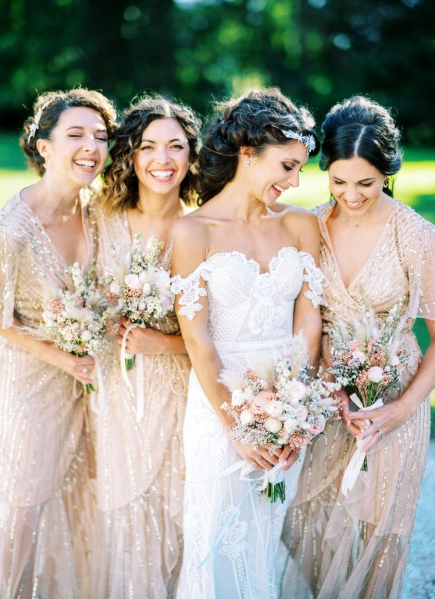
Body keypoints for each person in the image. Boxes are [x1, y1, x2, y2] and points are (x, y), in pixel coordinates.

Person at [171, 88, 324, 599]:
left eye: (300, 170)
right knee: (218, 532)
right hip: (222, 409)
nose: (295, 181)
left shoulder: (301, 225)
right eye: (286, 165)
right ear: (247, 153)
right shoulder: (194, 232)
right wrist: (237, 426)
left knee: (265, 532)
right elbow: (198, 341)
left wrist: (292, 404)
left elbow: (309, 317)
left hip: (288, 403)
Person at [282, 96, 435, 599]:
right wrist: (323, 386)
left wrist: (402, 408)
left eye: (366, 183)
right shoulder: (310, 225)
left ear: (388, 171)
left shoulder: (416, 237)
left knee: (374, 532)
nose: (351, 194)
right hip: (326, 401)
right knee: (307, 522)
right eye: (339, 181)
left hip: (394, 402)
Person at [0, 89, 117, 598]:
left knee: (85, 496)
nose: (92, 148)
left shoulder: (99, 210)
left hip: (92, 384)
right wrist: (66, 358)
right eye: (76, 135)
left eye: (102, 137)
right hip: (32, 384)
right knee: (23, 504)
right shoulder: (11, 230)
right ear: (43, 147)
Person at [90, 95, 201, 598]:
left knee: (179, 508)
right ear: (131, 155)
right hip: (113, 392)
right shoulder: (99, 218)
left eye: (176, 146)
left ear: (192, 156)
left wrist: (167, 343)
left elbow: (222, 333)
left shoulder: (202, 228)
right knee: (125, 507)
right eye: (149, 146)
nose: (163, 159)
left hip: (182, 391)